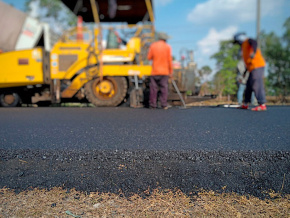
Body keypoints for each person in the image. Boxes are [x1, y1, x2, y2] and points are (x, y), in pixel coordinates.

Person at [233, 33, 267, 111]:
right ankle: (245, 104)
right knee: (249, 85)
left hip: (257, 65)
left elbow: (254, 42)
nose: (238, 43)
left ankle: (262, 104)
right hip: (251, 68)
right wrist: (245, 72)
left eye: (237, 41)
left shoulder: (248, 41)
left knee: (256, 83)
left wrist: (254, 52)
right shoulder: (243, 47)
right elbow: (248, 61)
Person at [147, 32, 173, 109]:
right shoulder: (167, 47)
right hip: (164, 71)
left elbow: (149, 57)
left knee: (153, 88)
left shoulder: (153, 46)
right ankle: (164, 105)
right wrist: (170, 72)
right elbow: (169, 60)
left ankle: (153, 105)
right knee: (164, 88)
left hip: (155, 71)